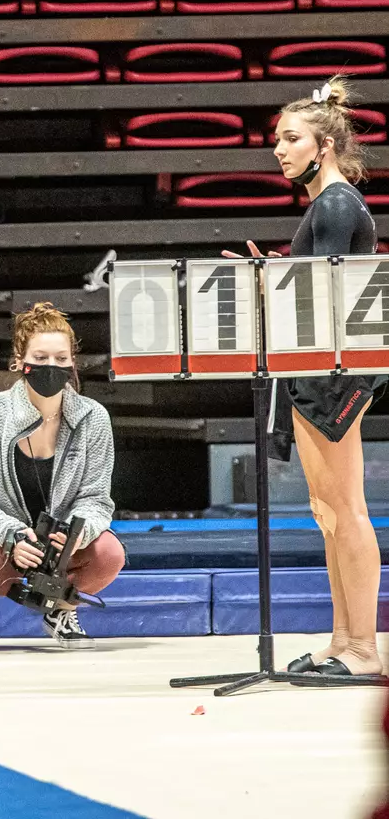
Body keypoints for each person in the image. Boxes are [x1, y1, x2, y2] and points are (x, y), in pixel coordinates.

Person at [223, 75, 384, 678]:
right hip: (317, 367)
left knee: (345, 508)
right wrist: (273, 272)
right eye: (277, 139)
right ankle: (343, 637)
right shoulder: (327, 206)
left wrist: (272, 278)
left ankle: (365, 648)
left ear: (325, 146)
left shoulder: (338, 204)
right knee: (326, 510)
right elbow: (313, 282)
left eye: (290, 138)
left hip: (337, 372)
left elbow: (326, 292)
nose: (278, 150)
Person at [0, 302, 125, 651]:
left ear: (73, 361)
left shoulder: (93, 417)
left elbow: (97, 499)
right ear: (19, 360)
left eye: (60, 358)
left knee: (109, 551)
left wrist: (77, 533)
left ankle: (62, 610)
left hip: (59, 554)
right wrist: (10, 534)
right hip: (2, 549)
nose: (50, 367)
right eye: (40, 358)